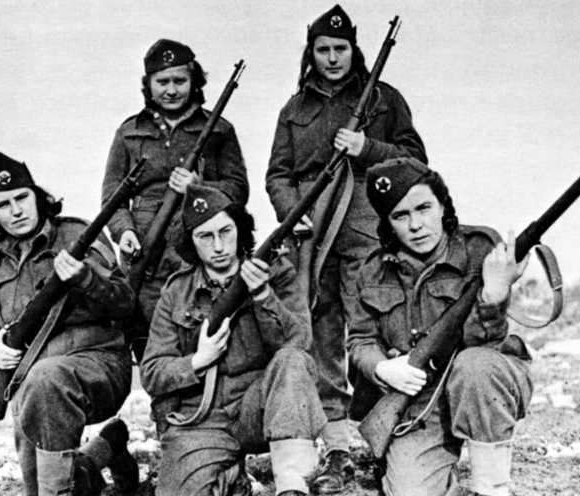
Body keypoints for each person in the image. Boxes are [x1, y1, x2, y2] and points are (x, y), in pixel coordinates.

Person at [265, 4, 427, 492]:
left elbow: (417, 162)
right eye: (323, 50)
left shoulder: (384, 99)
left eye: (340, 48)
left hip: (368, 232)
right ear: (311, 53)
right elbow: (277, 174)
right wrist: (291, 210)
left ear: (354, 50)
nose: (332, 58)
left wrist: (367, 148)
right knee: (320, 333)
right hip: (311, 236)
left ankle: (386, 441)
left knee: (372, 329)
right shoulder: (294, 109)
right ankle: (336, 447)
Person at [348, 157, 533, 496]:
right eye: (400, 216)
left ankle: (492, 488)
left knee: (475, 366)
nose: (416, 225)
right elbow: (361, 339)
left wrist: (493, 295)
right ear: (387, 223)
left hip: (480, 381)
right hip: (419, 401)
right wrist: (382, 368)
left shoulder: (481, 249)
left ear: (443, 205)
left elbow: (488, 344)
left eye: (424, 208)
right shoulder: (372, 271)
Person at [140, 184, 327, 496]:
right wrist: (197, 361)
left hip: (262, 405)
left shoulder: (275, 272)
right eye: (205, 236)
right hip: (202, 418)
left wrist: (264, 295)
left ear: (239, 229)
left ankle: (293, 486)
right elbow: (151, 372)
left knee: (292, 361)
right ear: (190, 242)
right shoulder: (176, 292)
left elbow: (299, 343)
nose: (218, 246)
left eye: (226, 232)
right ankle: (231, 478)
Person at [0, 152, 139, 496]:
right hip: (31, 386)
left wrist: (86, 279)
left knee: (45, 380)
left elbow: (126, 302)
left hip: (98, 365)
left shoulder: (78, 235)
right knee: (43, 484)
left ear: (37, 197)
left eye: (22, 198)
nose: (16, 211)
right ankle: (106, 449)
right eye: (2, 204)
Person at [102, 38, 249, 360]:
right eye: (162, 81)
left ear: (194, 82)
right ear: (149, 84)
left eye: (180, 81)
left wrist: (200, 186)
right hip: (144, 252)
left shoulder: (219, 130)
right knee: (143, 334)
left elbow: (238, 190)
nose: (171, 90)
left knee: (198, 332)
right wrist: (124, 232)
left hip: (197, 251)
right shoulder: (128, 132)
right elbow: (112, 197)